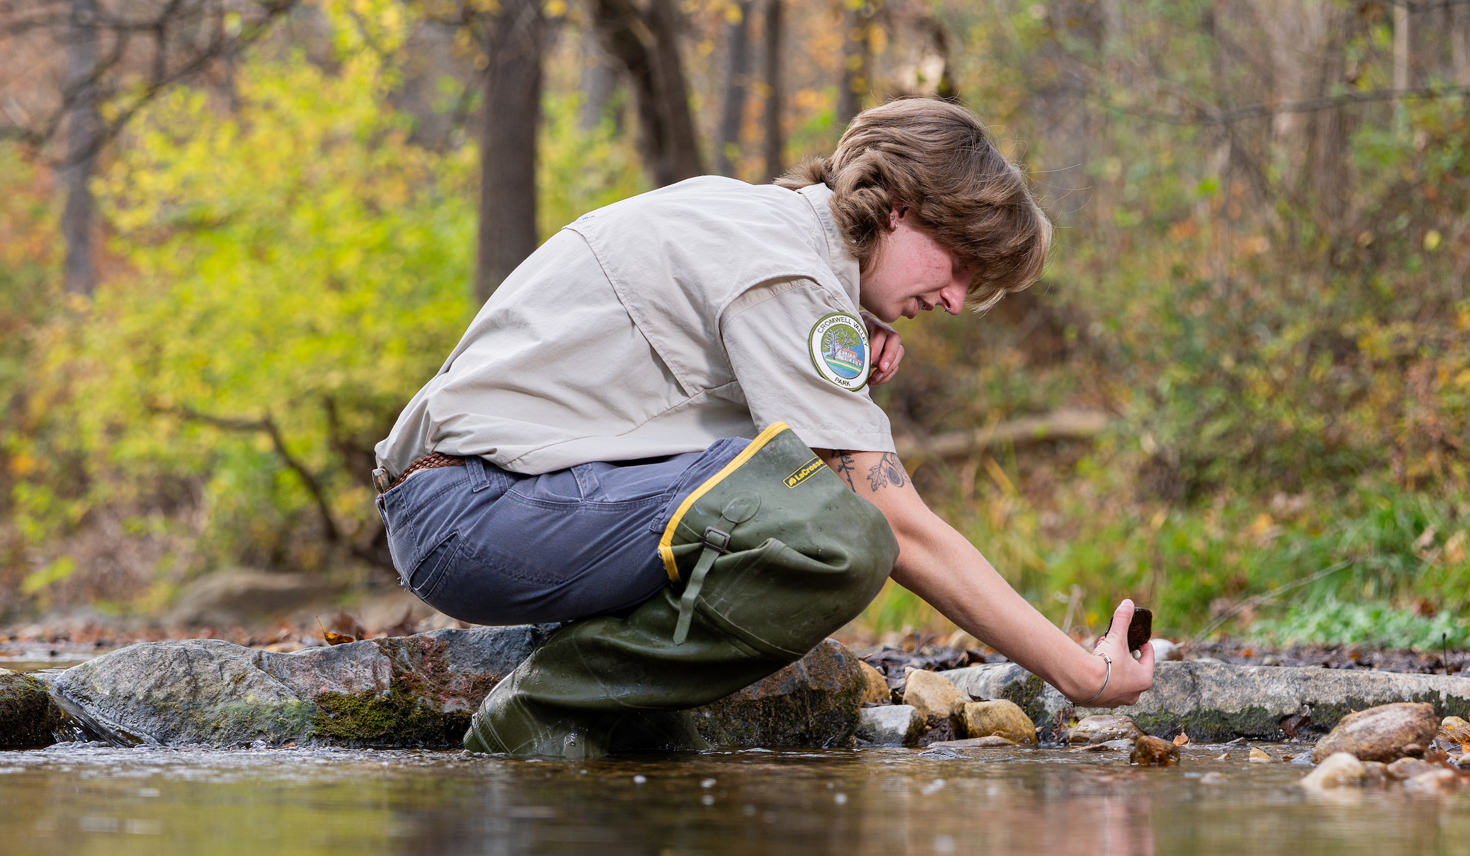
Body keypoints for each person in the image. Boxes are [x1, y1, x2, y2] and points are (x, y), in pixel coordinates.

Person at [373, 98, 1154, 759]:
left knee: (798, 498)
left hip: (490, 505)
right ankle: (547, 709)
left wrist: (853, 317)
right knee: (843, 539)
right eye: (957, 266)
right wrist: (1081, 675)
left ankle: (599, 699)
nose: (955, 300)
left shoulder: (770, 233)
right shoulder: (785, 271)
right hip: (472, 513)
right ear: (899, 209)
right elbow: (897, 530)